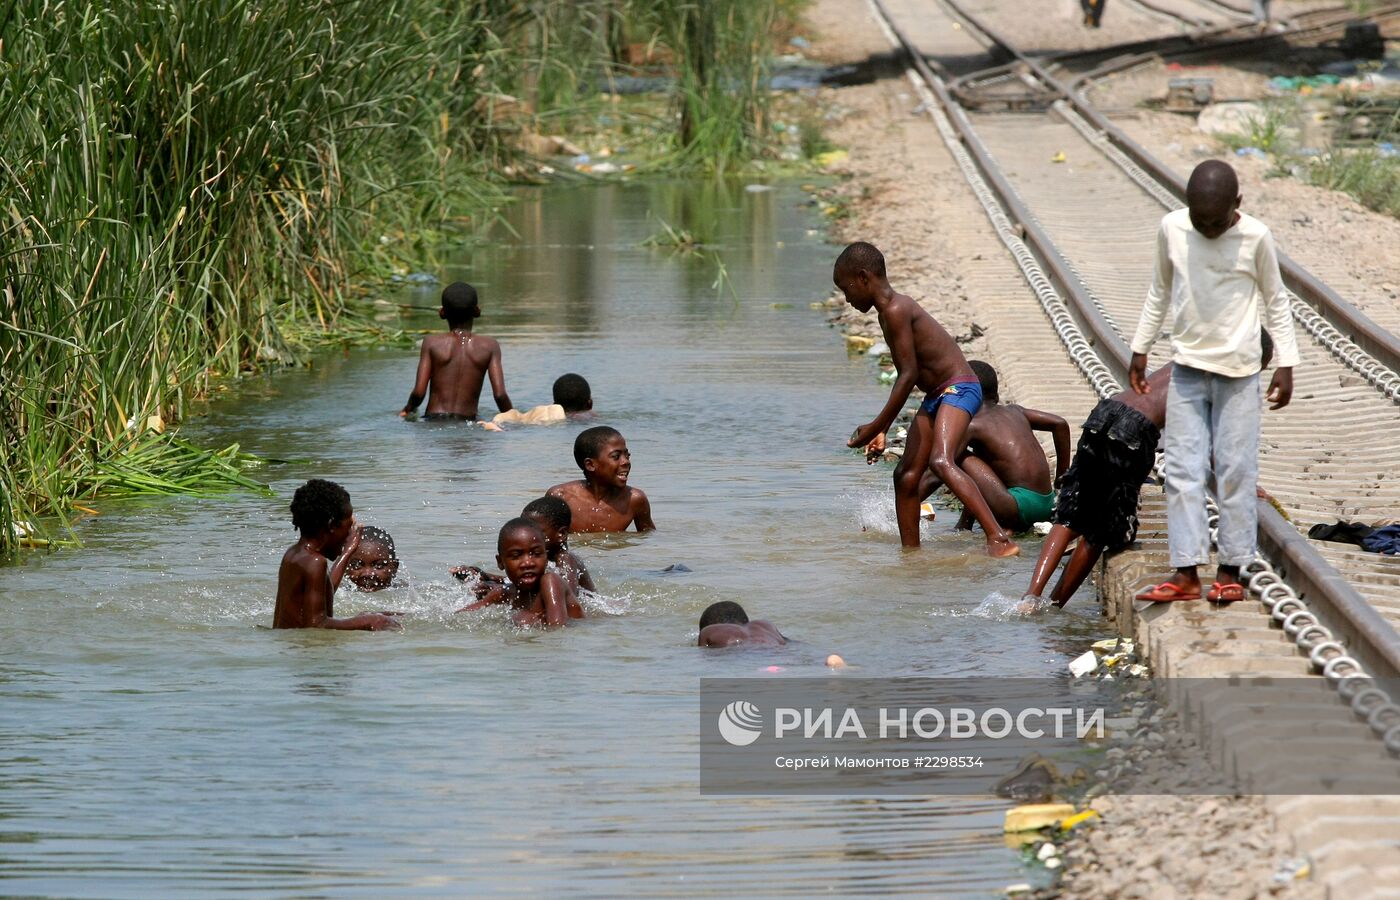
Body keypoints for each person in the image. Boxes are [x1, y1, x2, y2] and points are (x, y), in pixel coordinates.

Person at [1128, 160, 1298, 603]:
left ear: (1237, 205)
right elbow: (1159, 290)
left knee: (1235, 470)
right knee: (1181, 470)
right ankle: (1185, 572)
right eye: (1199, 220)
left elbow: (1276, 300)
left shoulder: (1256, 236)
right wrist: (1141, 348)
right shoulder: (1172, 229)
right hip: (1187, 368)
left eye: (1216, 221)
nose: (1206, 229)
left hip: (1240, 373)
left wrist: (1286, 362)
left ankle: (1230, 570)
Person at [836, 242, 1018, 556]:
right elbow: (906, 373)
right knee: (904, 476)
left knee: (941, 461)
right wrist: (882, 431)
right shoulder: (886, 314)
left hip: (960, 388)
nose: (847, 298)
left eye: (847, 288)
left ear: (864, 278)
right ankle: (911, 556)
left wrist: (876, 424)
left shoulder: (896, 309)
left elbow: (908, 376)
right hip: (937, 395)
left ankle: (999, 539)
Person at [1023, 366, 1170, 610]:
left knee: (1070, 515)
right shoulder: (1217, 375)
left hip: (1105, 412)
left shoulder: (1186, 356)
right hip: (1133, 431)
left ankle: (1030, 597)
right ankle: (1051, 608)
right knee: (1100, 531)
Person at [927, 360, 1069, 534]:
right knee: (980, 457)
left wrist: (910, 498)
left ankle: (986, 525)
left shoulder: (972, 425)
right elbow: (1060, 424)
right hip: (1047, 504)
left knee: (958, 457)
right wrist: (1062, 474)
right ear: (996, 395)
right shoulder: (1015, 411)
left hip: (1015, 507)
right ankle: (966, 524)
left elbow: (940, 469)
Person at [273, 479, 400, 630]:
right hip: (305, 650)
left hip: (291, 646)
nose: (349, 534)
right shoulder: (315, 562)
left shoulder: (294, 554)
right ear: (332, 526)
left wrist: (348, 551)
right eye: (348, 527)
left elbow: (325, 593)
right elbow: (317, 625)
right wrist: (370, 620)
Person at [400, 281, 512, 421]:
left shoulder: (431, 343)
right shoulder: (490, 346)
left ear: (442, 313)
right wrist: (514, 417)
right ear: (477, 311)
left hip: (433, 421)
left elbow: (419, 392)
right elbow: (500, 395)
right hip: (467, 422)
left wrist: (407, 409)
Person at [457, 518, 572, 627]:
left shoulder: (550, 582)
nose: (528, 563)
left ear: (546, 557)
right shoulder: (504, 593)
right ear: (500, 562)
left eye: (536, 554)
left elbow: (558, 628)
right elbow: (460, 616)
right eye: (516, 556)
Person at [547, 425, 655, 533]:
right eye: (616, 456)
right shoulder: (561, 497)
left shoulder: (634, 500)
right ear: (590, 465)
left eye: (627, 456)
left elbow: (648, 539)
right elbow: (542, 538)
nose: (626, 462)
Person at [522, 495, 596, 598]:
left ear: (561, 534)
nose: (528, 537)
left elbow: (567, 596)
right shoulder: (548, 560)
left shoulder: (565, 559)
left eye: (535, 531)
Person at [697, 601, 787, 648]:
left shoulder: (708, 631)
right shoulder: (765, 624)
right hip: (777, 653)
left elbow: (702, 654)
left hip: (744, 656)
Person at [344, 525, 400, 592]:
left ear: (394, 568)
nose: (367, 574)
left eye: (379, 565)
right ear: (344, 568)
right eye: (356, 565)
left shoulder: (408, 593)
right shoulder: (334, 590)